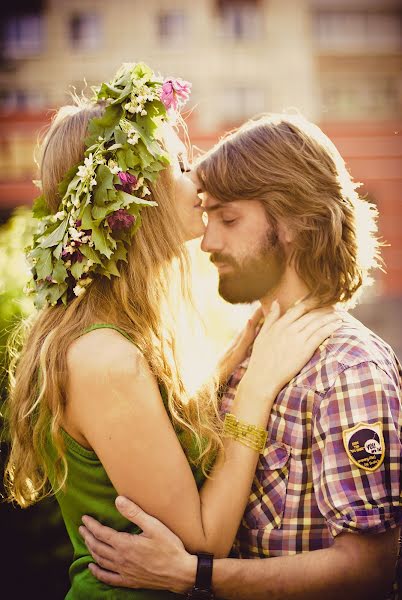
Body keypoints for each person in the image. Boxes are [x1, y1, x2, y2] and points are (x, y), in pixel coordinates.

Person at [4, 66, 338, 600]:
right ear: (135, 197)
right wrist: (257, 389)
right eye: (181, 165)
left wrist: (241, 352)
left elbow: (167, 428)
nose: (199, 180)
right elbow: (202, 542)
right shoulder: (104, 357)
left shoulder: (120, 333)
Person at [79, 114, 402, 600]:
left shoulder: (348, 368)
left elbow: (368, 569)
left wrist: (193, 574)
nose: (208, 242)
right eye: (209, 219)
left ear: (295, 221)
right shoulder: (245, 352)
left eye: (229, 220)